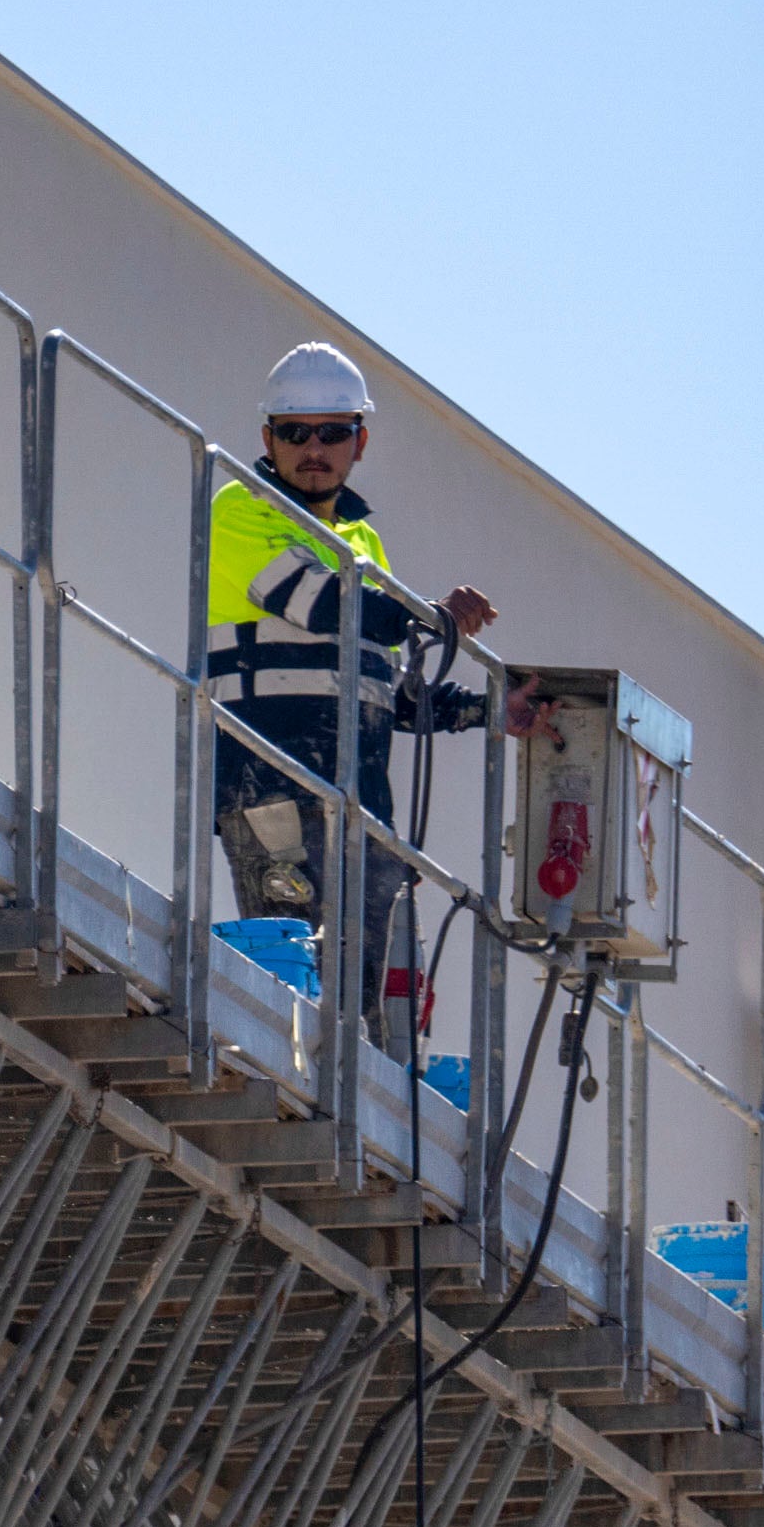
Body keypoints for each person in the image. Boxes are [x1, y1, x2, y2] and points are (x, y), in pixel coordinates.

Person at [202, 342, 498, 1050]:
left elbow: (385, 687)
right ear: (266, 437)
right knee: (296, 988)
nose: (314, 448)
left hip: (360, 811)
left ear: (359, 441)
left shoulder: (363, 543)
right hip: (272, 790)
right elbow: (319, 601)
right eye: (295, 431)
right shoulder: (240, 506)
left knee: (368, 1016)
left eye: (332, 431)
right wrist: (424, 612)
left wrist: (490, 711)